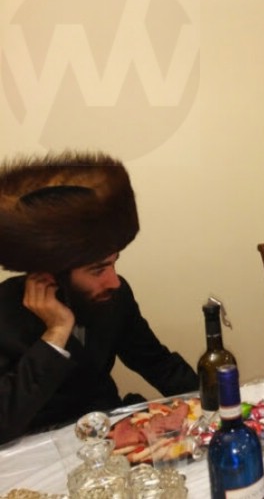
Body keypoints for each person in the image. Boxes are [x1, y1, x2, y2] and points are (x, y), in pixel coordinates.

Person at [0, 151, 199, 444]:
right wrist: (56, 333)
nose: (114, 281)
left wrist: (211, 402)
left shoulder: (114, 296)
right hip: (35, 451)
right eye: (98, 270)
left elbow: (157, 363)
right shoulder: (4, 311)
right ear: (50, 275)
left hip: (112, 435)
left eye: (114, 263)